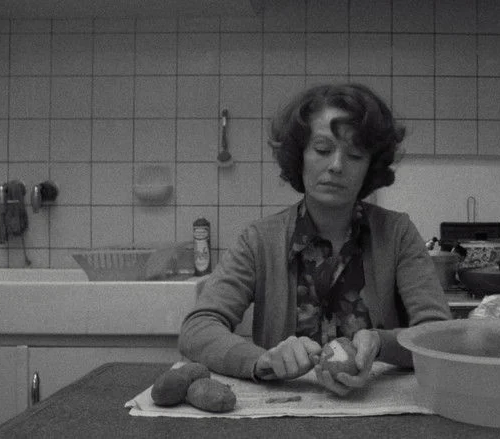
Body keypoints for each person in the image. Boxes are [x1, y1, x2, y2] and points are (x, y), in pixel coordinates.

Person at [178, 83, 452, 396]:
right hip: (282, 410)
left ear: (370, 167)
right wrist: (262, 360)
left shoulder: (397, 233)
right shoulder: (259, 241)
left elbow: (439, 334)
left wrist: (381, 343)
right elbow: (197, 329)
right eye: (322, 150)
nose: (336, 166)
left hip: (380, 406)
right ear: (300, 156)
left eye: (355, 155)